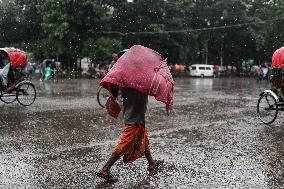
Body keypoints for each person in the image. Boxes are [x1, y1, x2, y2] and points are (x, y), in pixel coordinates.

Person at [97, 82, 164, 182]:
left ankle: (151, 162)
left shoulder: (128, 80)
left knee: (143, 138)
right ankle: (105, 169)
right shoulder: (139, 81)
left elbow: (121, 99)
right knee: (124, 144)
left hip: (136, 116)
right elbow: (152, 90)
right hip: (134, 119)